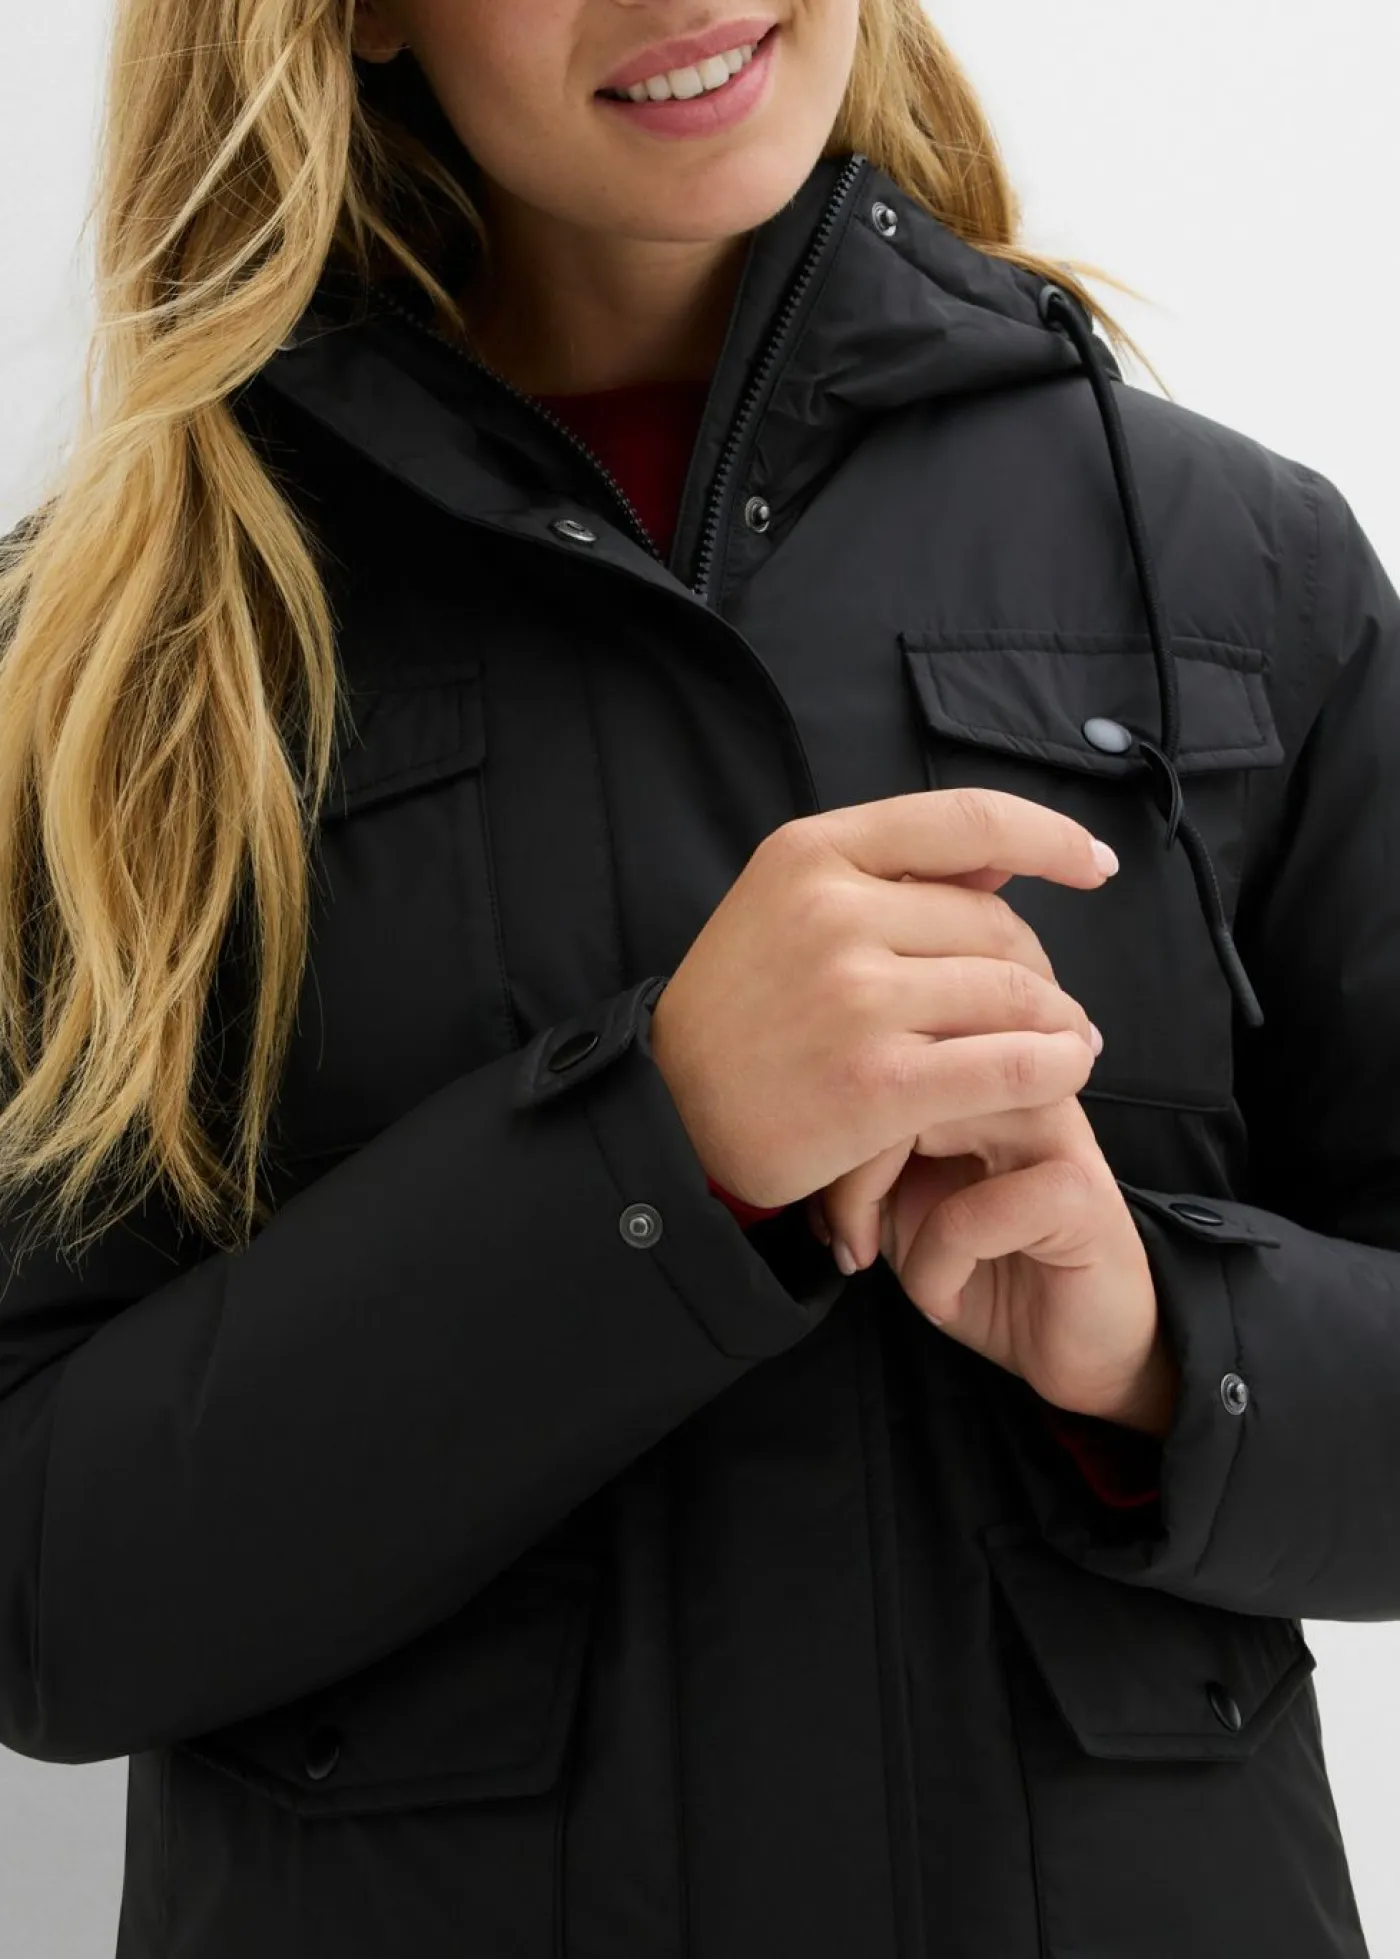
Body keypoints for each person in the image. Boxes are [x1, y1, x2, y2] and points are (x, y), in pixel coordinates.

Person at [0, 0, 1390, 1953]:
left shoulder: (1236, 564)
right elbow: (40, 1592)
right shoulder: (121, 651)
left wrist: (1164, 1342)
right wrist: (657, 1153)